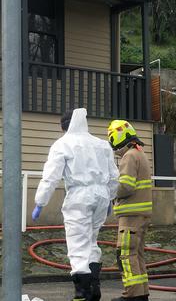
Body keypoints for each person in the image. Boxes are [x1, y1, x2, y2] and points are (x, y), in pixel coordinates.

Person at [32, 108, 119, 301]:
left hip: (80, 196)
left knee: (78, 243)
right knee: (91, 240)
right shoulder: (102, 145)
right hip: (102, 195)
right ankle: (95, 288)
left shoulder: (63, 144)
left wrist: (40, 202)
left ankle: (83, 294)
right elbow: (115, 177)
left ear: (64, 127)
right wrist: (110, 199)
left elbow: (50, 177)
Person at [107, 120, 153, 301]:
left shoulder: (129, 156)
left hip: (131, 215)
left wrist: (110, 191)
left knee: (125, 255)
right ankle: (141, 294)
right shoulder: (140, 154)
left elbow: (125, 187)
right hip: (141, 214)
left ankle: (131, 295)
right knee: (137, 254)